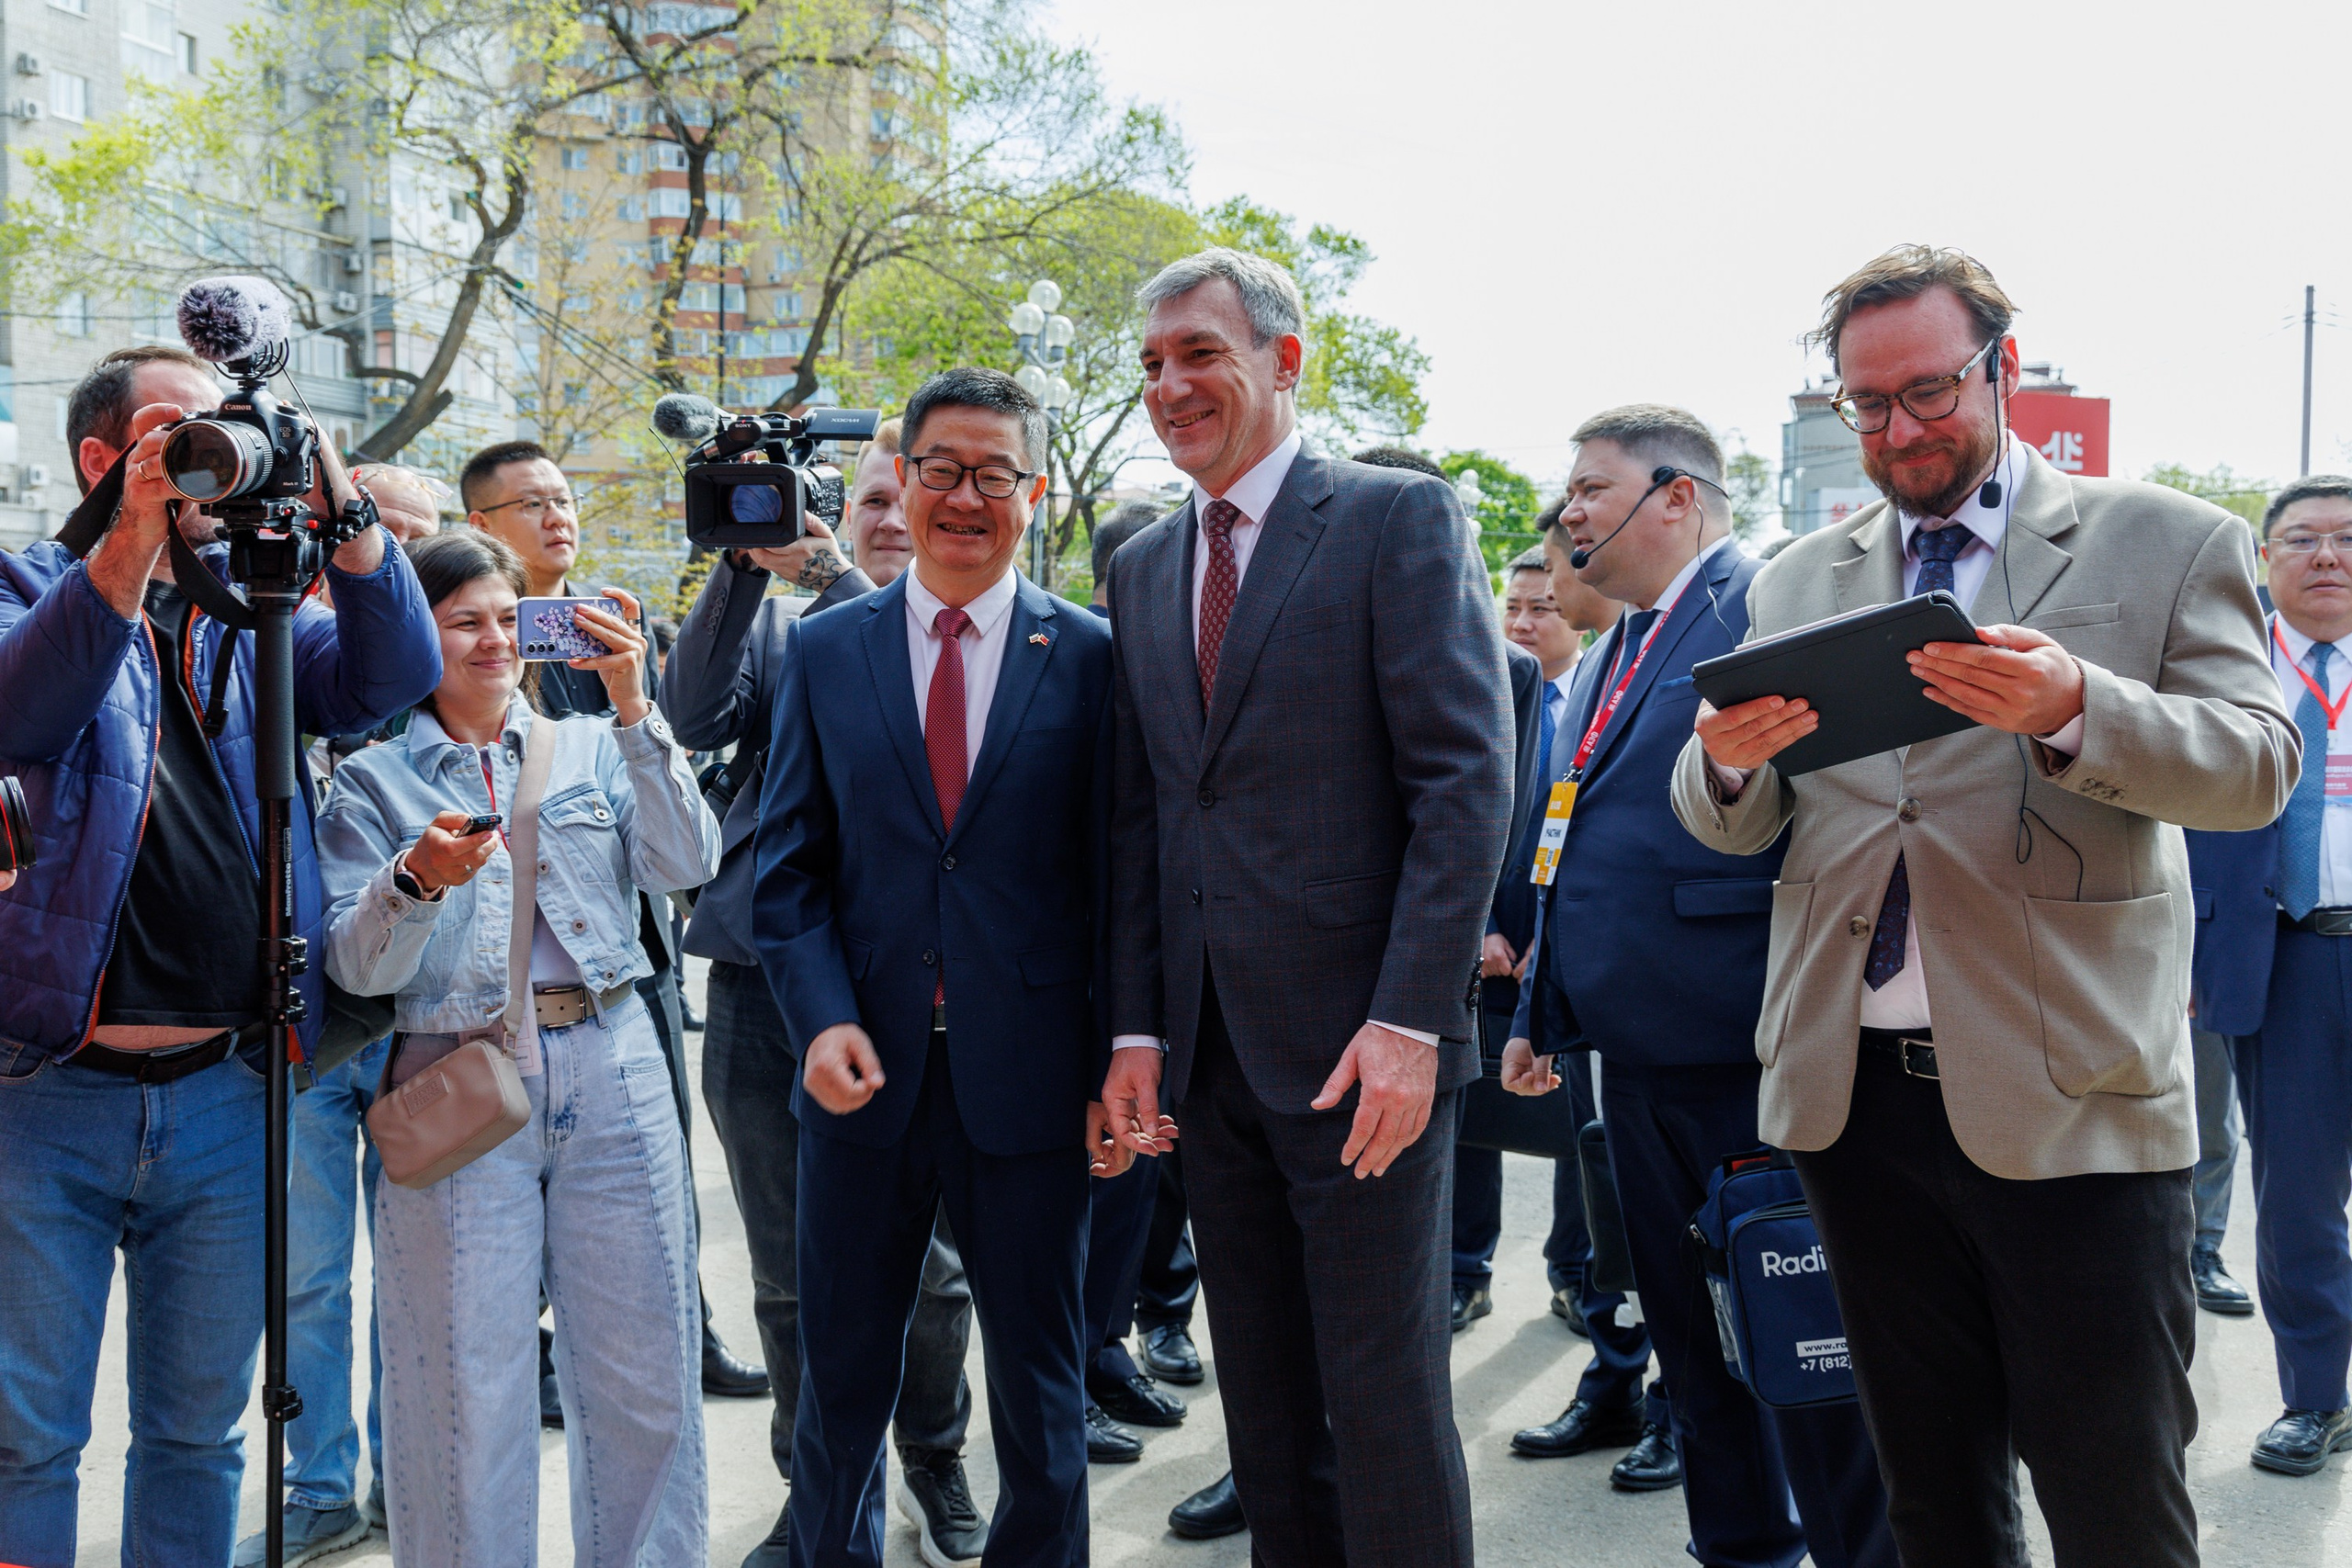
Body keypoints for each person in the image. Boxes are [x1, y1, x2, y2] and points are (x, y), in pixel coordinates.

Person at [1675, 245, 2297, 1567]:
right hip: (1857, 1102)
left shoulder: (2169, 539)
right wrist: (1728, 759)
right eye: (1868, 403)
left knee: (2116, 1492)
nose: (1899, 428)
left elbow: (2258, 765)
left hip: (2073, 1093)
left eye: (1930, 391)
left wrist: (2079, 705)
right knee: (1933, 1496)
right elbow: (1732, 808)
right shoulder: (1795, 576)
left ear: (2002, 368)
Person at [1101, 247, 1512, 1566]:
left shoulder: (1397, 517)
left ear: (1286, 359)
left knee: (1384, 1404)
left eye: (1200, 354)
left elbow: (1464, 783)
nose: (1171, 385)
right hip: (1210, 1058)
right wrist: (1141, 1031)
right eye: (1154, 364)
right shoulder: (1144, 564)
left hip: (1361, 1056)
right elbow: (1155, 818)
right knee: (1267, 1408)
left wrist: (1409, 1017)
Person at [0, 344, 438, 1567]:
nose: (221, 454)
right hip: (43, 1093)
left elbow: (394, 675)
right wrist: (136, 530)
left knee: (199, 1434)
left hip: (228, 1095)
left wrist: (332, 486)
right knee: (24, 1437)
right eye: (187, 435)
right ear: (103, 458)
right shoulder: (24, 584)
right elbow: (22, 709)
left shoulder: (255, 620)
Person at [1498, 408, 1893, 1566]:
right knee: (1695, 1355)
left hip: (1751, 1060)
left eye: (1590, 488)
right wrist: (1544, 1012)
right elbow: (1575, 842)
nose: (1568, 512)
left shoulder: (1766, 605)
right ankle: (1741, 1551)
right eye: (1565, 492)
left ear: (1677, 497)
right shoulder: (1622, 639)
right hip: (1636, 1066)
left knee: (1799, 1355)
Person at [752, 367, 1117, 1568]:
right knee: (841, 1391)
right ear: (901, 480)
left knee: (1042, 1390)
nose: (966, 495)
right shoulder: (825, 649)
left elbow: (1125, 879)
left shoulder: (1096, 659)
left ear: (1036, 491)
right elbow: (788, 873)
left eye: (994, 473)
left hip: (1035, 1083)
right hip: (862, 1078)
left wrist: (1128, 1050)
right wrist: (817, 1018)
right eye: (943, 469)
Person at [319, 529, 721, 1565]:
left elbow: (687, 864)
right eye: (463, 622)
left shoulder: (593, 743)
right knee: (460, 1383)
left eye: (509, 617)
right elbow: (358, 971)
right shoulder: (370, 780)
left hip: (613, 1053)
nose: (495, 640)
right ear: (416, 638)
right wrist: (415, 881)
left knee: (646, 1371)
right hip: (456, 1075)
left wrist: (636, 706)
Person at [667, 417, 993, 1568]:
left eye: (903, 499)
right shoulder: (777, 629)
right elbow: (689, 715)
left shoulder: (979, 634)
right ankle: (817, 1500)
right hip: (767, 990)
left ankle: (936, 1462)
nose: (890, 520)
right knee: (791, 1275)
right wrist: (742, 567)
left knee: (935, 1275)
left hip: (921, 991)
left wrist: (839, 576)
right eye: (862, 505)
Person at [461, 439, 766, 1407]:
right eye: (531, 504)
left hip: (627, 953)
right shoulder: (459, 639)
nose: (558, 516)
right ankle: (545, 1353)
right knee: (510, 1169)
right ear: (481, 526)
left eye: (564, 499)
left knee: (655, 1157)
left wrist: (633, 673)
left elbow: (668, 765)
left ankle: (689, 1336)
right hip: (498, 964)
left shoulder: (608, 626)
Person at [239, 459, 452, 1568]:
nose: (394, 552)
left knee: (421, 1270)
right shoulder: (275, 647)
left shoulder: (457, 667)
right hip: (310, 1029)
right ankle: (322, 1485)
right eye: (377, 531)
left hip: (429, 1028)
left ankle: (413, 1479)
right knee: (312, 1271)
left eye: (419, 537)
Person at [2184, 473, 2352, 1475]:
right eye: (2302, 540)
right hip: (2284, 957)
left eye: (2347, 538)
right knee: (2293, 1199)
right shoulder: (2219, 663)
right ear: (2265, 558)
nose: (2326, 556)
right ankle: (2314, 1399)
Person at [1455, 528, 1623, 1332]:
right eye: (1513, 606)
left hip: (1562, 945)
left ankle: (1574, 1267)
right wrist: (1483, 926)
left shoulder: (1604, 696)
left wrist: (1551, 944)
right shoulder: (1482, 692)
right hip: (1488, 944)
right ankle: (1465, 1267)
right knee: (1473, 1110)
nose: (1523, 622)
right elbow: (1465, 822)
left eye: (1542, 607)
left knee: (1571, 1116)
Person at [1074, 492, 1199, 1465]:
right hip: (1078, 974)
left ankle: (1107, 1347)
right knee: (1083, 1181)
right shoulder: (1074, 663)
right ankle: (1065, 1368)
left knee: (1139, 1180)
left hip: (1166, 972)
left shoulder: (1198, 667)